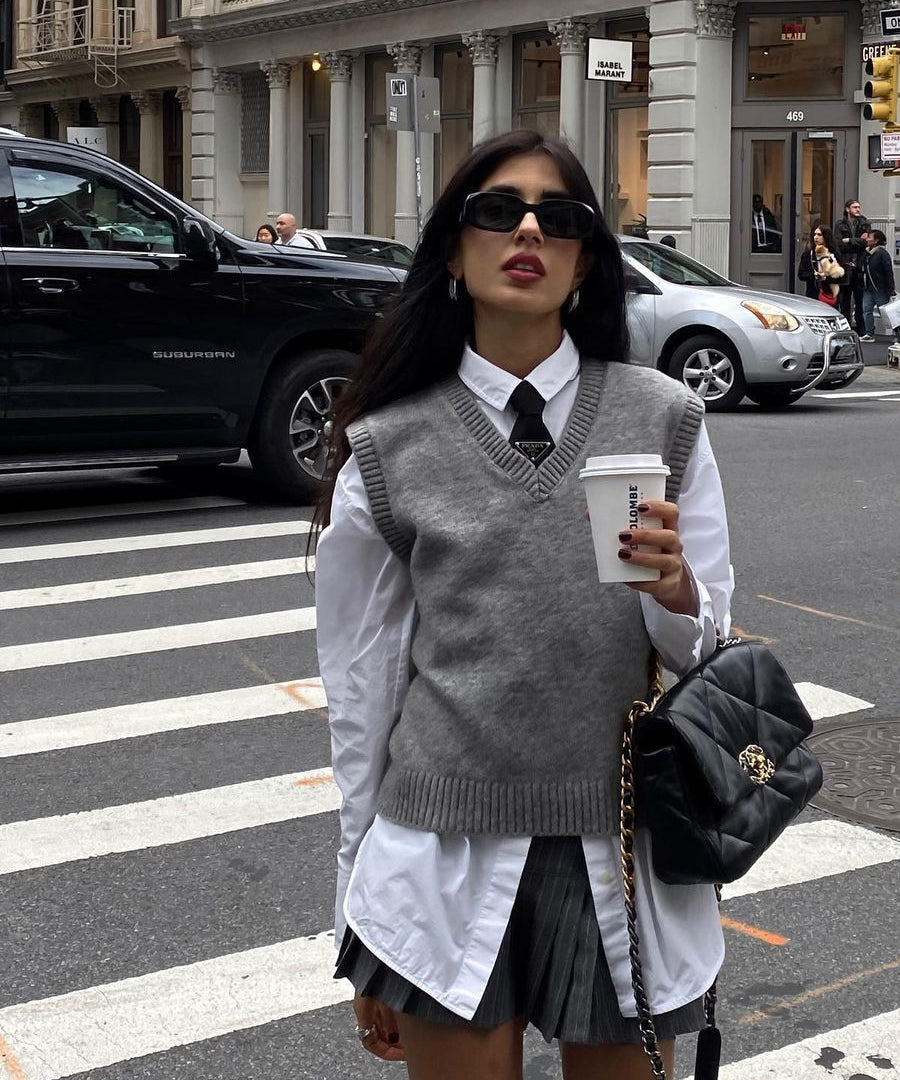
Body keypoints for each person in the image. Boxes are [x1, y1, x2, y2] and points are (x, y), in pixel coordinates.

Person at [314, 128, 734, 1080]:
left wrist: (674, 591)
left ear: (586, 264)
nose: (529, 229)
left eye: (562, 216)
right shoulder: (387, 447)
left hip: (620, 847)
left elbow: (709, 651)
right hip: (440, 850)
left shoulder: (663, 416)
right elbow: (362, 686)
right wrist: (357, 897)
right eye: (497, 210)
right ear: (456, 253)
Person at [834, 199, 871, 331]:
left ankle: (861, 330)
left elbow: (865, 243)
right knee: (844, 301)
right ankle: (846, 328)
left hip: (859, 267)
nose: (858, 210)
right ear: (847, 209)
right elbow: (839, 245)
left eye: (859, 207)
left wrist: (849, 240)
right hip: (846, 266)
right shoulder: (840, 225)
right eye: (855, 207)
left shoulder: (864, 223)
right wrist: (857, 243)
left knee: (860, 301)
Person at [861, 229, 896, 342]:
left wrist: (891, 289)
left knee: (886, 311)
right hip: (868, 287)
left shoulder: (882, 254)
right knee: (867, 310)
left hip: (880, 288)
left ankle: (898, 331)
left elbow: (888, 271)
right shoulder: (866, 253)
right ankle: (869, 333)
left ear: (876, 240)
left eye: (869, 237)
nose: (867, 239)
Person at [797, 224, 844, 303]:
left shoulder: (834, 253)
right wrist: (814, 275)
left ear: (826, 237)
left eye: (819, 235)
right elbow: (801, 274)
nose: (816, 237)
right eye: (814, 234)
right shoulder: (808, 254)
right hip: (813, 295)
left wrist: (825, 277)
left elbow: (842, 276)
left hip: (830, 295)